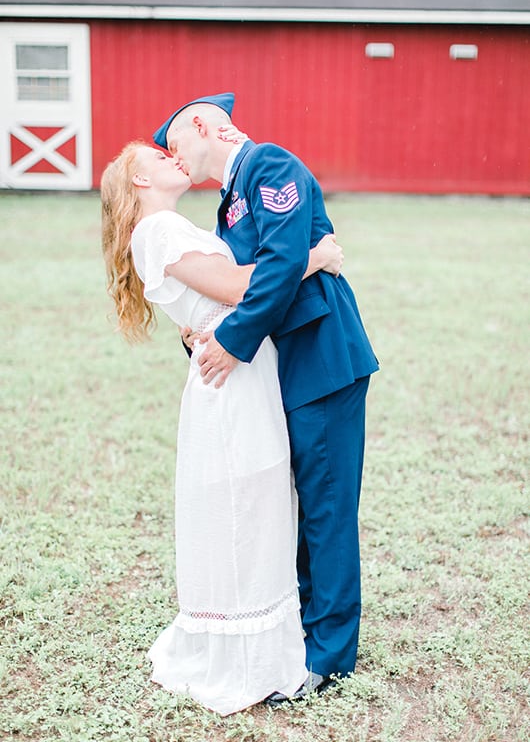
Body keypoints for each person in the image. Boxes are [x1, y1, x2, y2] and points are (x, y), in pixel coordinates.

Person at [100, 138, 345, 716]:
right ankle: (243, 652)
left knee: (258, 502)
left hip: (241, 364)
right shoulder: (157, 231)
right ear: (139, 182)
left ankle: (263, 639)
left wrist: (201, 323)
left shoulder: (172, 227)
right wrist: (317, 255)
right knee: (245, 505)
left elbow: (218, 297)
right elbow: (238, 289)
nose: (173, 160)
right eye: (159, 159)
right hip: (229, 378)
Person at [152, 92, 379, 704]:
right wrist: (205, 330)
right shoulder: (229, 205)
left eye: (174, 141)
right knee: (297, 503)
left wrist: (231, 340)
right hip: (284, 368)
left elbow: (279, 263)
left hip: (321, 361)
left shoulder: (269, 166)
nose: (172, 156)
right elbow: (239, 285)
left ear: (202, 124)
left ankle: (329, 655)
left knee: (326, 506)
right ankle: (304, 627)